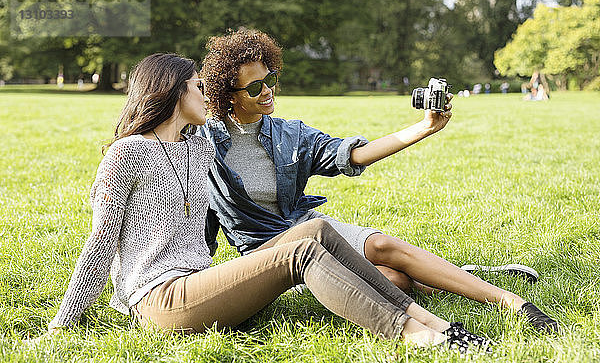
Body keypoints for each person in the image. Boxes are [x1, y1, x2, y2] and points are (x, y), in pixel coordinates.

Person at [38, 53, 495, 353]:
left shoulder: (197, 147)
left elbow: (336, 152)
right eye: (199, 88)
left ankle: (434, 322)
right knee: (301, 251)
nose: (207, 97)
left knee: (317, 230)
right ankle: (419, 338)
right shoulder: (127, 154)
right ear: (175, 94)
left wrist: (423, 126)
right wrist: (63, 322)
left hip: (202, 283)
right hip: (160, 300)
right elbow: (100, 245)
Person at [198, 29, 558, 333]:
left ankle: (511, 302)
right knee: (395, 281)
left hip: (308, 227)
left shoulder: (289, 134)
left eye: (270, 79)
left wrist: (424, 128)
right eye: (255, 87)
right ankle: (456, 275)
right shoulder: (203, 144)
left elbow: (351, 155)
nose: (267, 91)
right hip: (268, 254)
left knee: (385, 250)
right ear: (229, 95)